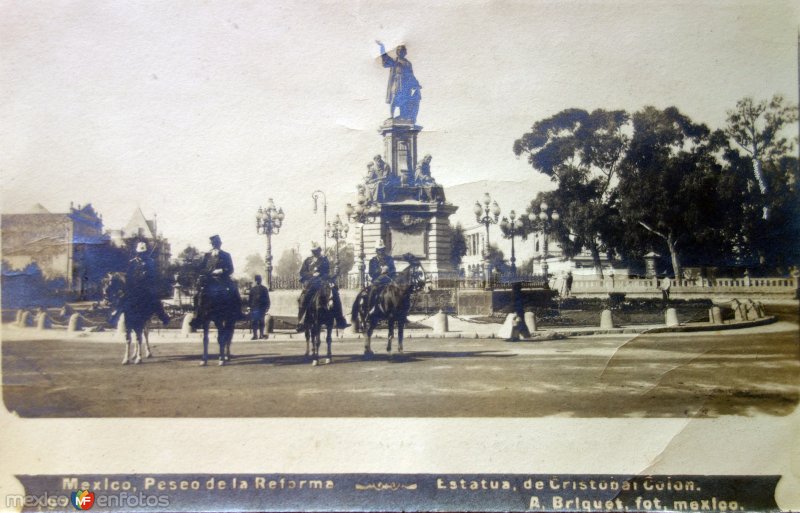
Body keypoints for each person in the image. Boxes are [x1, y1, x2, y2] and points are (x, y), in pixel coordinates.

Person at [296, 242, 350, 331]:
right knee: (303, 298)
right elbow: (302, 273)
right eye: (313, 251)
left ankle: (340, 320)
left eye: (316, 251)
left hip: (323, 281)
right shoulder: (307, 260)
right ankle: (301, 322)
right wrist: (312, 274)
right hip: (311, 283)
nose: (315, 252)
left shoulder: (324, 259)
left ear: (319, 250)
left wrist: (320, 274)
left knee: (335, 294)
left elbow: (327, 271)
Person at [191, 235, 241, 327]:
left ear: (219, 244)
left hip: (223, 279)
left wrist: (222, 270)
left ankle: (237, 314)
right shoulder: (206, 255)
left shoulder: (226, 255)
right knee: (197, 295)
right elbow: (201, 269)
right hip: (209, 279)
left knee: (234, 292)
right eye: (213, 244)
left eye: (216, 244)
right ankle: (197, 316)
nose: (214, 246)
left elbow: (231, 269)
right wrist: (207, 272)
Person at [121, 242, 170, 326]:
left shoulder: (150, 261)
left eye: (142, 253)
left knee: (155, 301)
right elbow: (128, 274)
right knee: (125, 300)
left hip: (147, 286)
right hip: (135, 286)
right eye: (139, 253)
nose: (141, 255)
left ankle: (164, 318)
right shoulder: (132, 262)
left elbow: (153, 275)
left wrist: (145, 272)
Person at [376, 41, 421, 123]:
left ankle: (402, 117)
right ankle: (392, 116)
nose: (401, 52)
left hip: (405, 84)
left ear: (405, 52)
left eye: (403, 51)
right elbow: (386, 58)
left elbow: (411, 75)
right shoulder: (395, 61)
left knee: (404, 101)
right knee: (394, 98)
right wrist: (382, 47)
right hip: (397, 83)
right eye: (399, 50)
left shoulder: (408, 63)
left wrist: (416, 84)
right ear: (397, 52)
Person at [367, 239, 397, 314]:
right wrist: (380, 271)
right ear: (376, 251)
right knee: (372, 291)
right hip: (377, 281)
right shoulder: (372, 261)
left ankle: (399, 311)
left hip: (388, 281)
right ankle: (371, 308)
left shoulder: (389, 259)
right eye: (379, 250)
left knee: (398, 291)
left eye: (382, 250)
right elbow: (371, 273)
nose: (381, 252)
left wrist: (388, 269)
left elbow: (394, 271)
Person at [248, 275, 270, 340]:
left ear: (261, 280)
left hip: (261, 308)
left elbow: (267, 299)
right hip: (254, 308)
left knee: (261, 321)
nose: (258, 281)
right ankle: (255, 335)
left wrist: (267, 307)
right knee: (254, 321)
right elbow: (250, 299)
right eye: (257, 279)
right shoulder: (252, 289)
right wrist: (249, 307)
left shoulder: (264, 289)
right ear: (255, 280)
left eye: (259, 279)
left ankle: (261, 335)